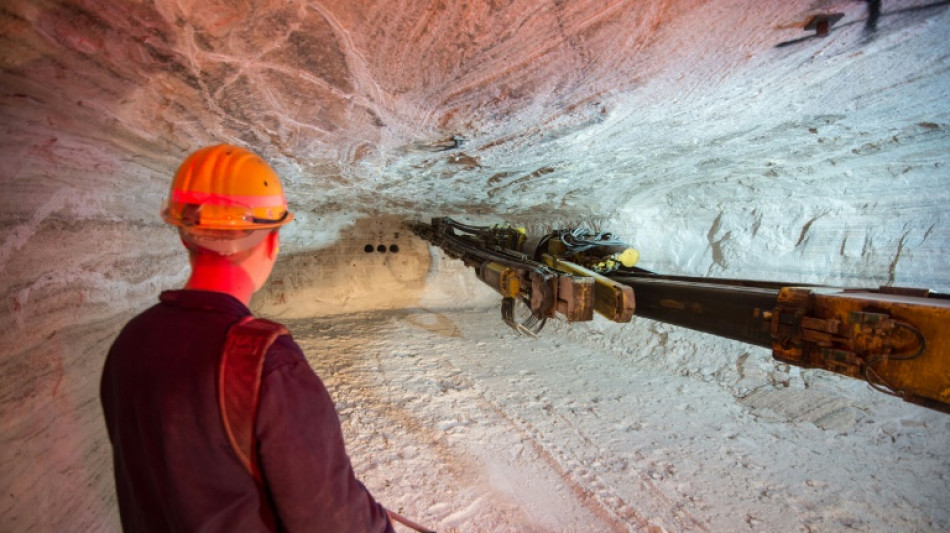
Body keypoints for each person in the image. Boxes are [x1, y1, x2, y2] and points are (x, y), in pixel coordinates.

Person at [100, 144, 395, 532]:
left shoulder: (133, 340)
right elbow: (333, 520)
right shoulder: (265, 363)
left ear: (185, 238)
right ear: (271, 243)